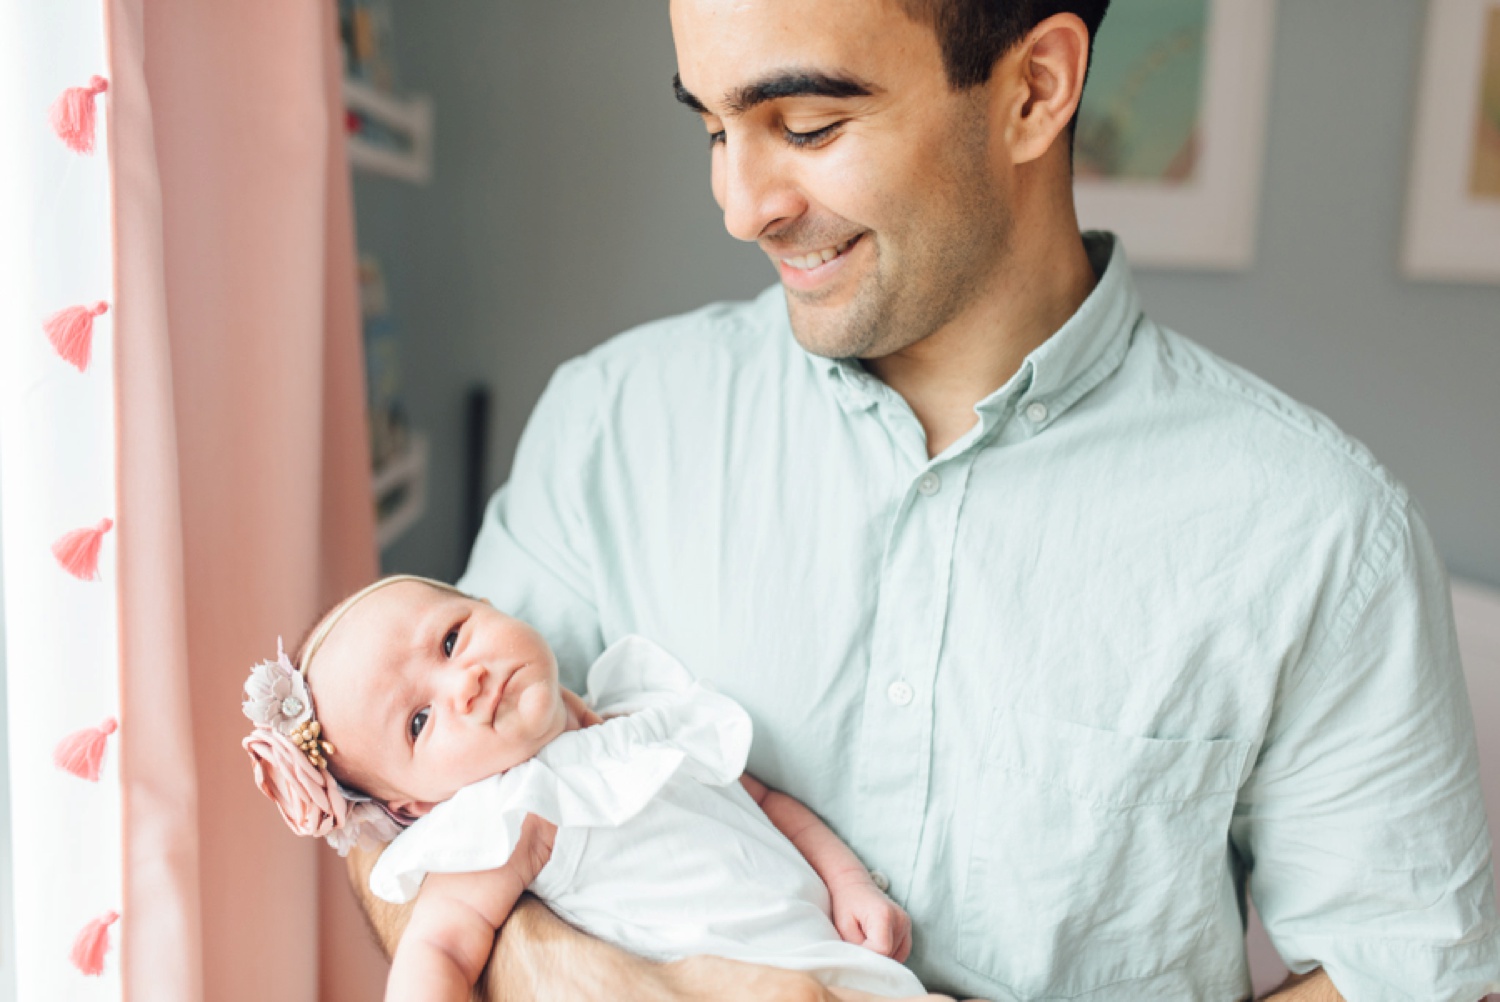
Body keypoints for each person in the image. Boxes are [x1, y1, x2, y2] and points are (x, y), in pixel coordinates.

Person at [351, 0, 1500, 999]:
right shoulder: (609, 424)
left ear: (1033, 90)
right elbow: (393, 816)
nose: (740, 203)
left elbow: (1406, 973)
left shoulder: (1323, 531)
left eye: (806, 126)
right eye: (711, 126)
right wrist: (587, 981)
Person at [243, 574, 931, 1001]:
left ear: (487, 605)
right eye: (420, 721)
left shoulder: (647, 716)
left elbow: (769, 805)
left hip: (855, 972)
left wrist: (850, 884)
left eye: (452, 640)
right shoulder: (513, 814)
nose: (467, 681)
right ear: (416, 806)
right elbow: (440, 949)